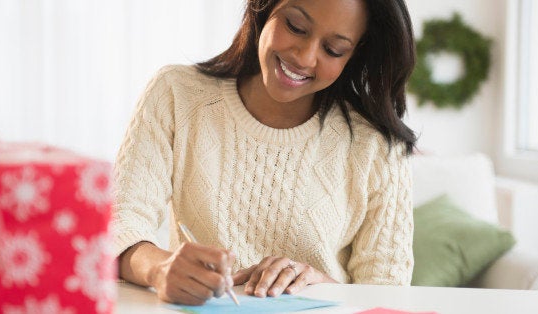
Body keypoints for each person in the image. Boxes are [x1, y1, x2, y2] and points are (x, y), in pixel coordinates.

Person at [112, 0, 417, 306]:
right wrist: (160, 269)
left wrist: (322, 285)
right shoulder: (177, 94)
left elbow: (387, 295)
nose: (305, 57)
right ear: (264, 8)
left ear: (355, 53)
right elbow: (118, 225)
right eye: (295, 27)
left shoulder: (378, 147)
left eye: (333, 49)